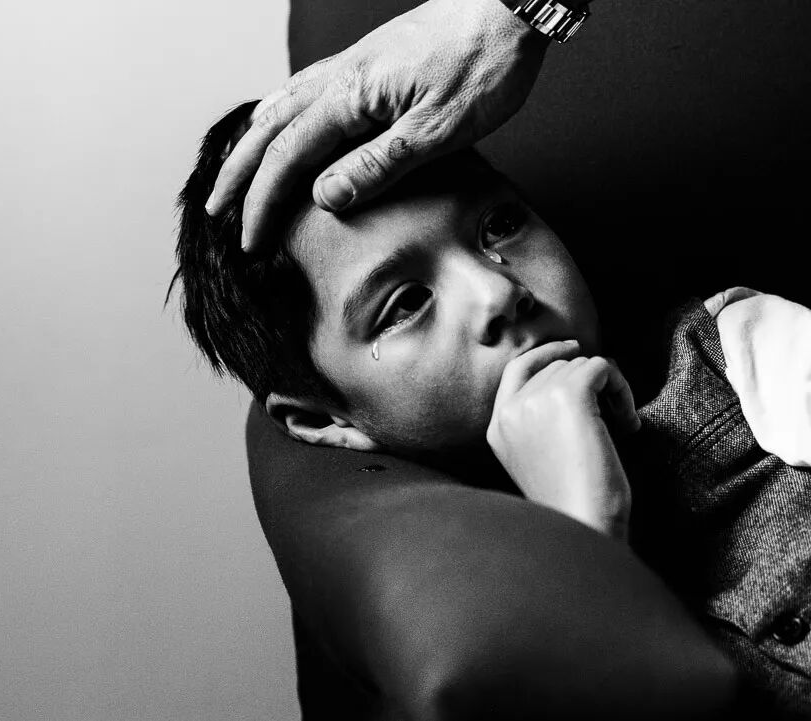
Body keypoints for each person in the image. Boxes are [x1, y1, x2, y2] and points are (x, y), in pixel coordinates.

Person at [172, 100, 811, 716]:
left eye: (499, 225)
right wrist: (583, 528)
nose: (498, 292)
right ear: (324, 420)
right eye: (406, 303)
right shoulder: (457, 596)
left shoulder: (736, 350)